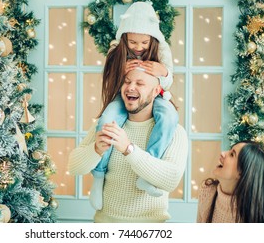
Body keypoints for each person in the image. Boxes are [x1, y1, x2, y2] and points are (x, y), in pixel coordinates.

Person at [68, 68, 188, 223]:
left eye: (140, 83)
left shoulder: (175, 132)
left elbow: (171, 180)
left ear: (156, 91)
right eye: (127, 82)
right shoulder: (107, 125)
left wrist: (129, 149)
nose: (131, 87)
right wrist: (96, 150)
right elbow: (73, 167)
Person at [90, 1, 179, 210]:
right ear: (124, 38)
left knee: (169, 117)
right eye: (133, 42)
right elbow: (109, 80)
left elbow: (168, 81)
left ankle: (147, 171)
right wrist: (121, 71)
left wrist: (162, 72)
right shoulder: (116, 50)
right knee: (106, 121)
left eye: (144, 43)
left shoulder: (163, 50)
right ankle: (98, 175)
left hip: (155, 96)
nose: (138, 48)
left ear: (153, 40)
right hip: (123, 97)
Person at [197, 141, 264, 223]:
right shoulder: (207, 191)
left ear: (243, 173)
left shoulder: (256, 215)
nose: (222, 153)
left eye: (232, 154)